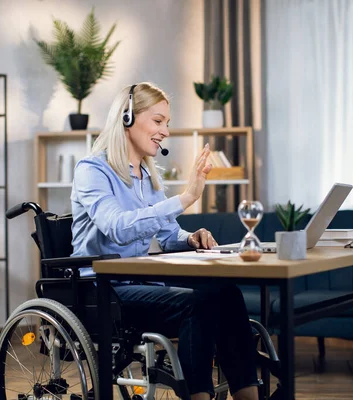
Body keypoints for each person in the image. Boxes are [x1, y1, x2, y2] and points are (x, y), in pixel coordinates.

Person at [71, 82, 260, 400]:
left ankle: (249, 396)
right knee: (197, 305)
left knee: (226, 292)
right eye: (158, 121)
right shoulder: (92, 170)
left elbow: (168, 235)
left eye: (167, 123)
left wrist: (191, 238)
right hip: (103, 292)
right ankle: (199, 395)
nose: (165, 131)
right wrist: (186, 197)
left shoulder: (146, 176)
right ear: (127, 118)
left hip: (139, 285)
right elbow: (117, 227)